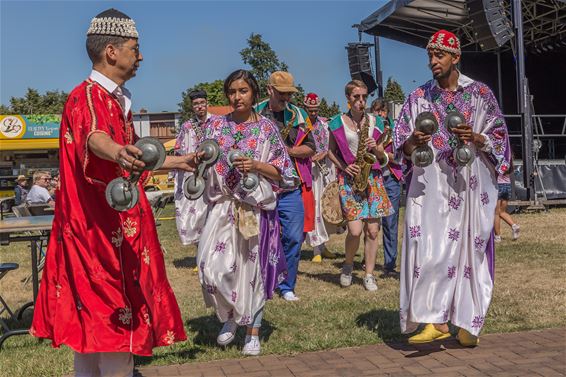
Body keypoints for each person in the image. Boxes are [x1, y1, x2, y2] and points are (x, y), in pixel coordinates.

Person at [30, 9, 196, 376]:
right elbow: (96, 139)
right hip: (99, 240)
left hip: (105, 235)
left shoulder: (113, 100)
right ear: (111, 51)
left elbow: (134, 156)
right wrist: (118, 151)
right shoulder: (88, 97)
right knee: (117, 331)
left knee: (92, 338)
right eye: (135, 48)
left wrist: (179, 161)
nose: (140, 56)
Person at [394, 29, 510, 346]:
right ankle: (434, 320)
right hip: (430, 183)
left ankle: (467, 322)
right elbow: (398, 148)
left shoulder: (480, 94)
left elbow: (500, 138)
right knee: (428, 249)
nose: (433, 61)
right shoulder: (418, 98)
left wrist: (477, 137)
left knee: (470, 251)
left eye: (439, 55)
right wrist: (411, 143)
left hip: (471, 182)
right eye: (430, 55)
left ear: (455, 57)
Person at [197, 69, 294, 355]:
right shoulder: (214, 127)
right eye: (232, 91)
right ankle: (229, 316)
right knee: (211, 268)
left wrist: (256, 166)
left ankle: (252, 331)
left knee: (253, 272)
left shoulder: (266, 128)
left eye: (242, 91)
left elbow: (283, 172)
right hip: (223, 206)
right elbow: (202, 164)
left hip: (255, 209)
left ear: (254, 94)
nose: (236, 97)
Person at [327, 80, 393, 292]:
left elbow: (384, 157)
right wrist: (345, 167)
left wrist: (377, 148)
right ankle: (348, 265)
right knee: (355, 231)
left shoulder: (376, 122)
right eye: (356, 97)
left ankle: (369, 274)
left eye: (364, 97)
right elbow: (330, 151)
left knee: (373, 231)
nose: (361, 101)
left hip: (373, 178)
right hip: (350, 179)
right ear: (348, 99)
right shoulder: (337, 122)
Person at [256, 71, 316, 301]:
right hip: (262, 185)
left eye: (289, 94)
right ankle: (262, 280)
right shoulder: (256, 113)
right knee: (260, 238)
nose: (286, 98)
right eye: (282, 93)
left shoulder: (298, 115)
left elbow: (312, 146)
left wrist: (288, 151)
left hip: (290, 186)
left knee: (293, 237)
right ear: (269, 89)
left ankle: (286, 285)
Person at [174, 89, 215, 246]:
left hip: (213, 174)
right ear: (192, 106)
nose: (199, 106)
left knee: (214, 212)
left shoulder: (217, 122)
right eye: (196, 104)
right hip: (196, 174)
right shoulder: (187, 126)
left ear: (206, 103)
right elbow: (179, 149)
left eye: (202, 103)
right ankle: (200, 250)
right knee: (197, 214)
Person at [303, 92, 337, 262]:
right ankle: (316, 248)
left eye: (316, 110)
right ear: (305, 108)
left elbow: (329, 145)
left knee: (324, 207)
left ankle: (323, 246)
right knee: (314, 207)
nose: (313, 113)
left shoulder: (324, 125)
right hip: (310, 171)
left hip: (324, 170)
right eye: (310, 110)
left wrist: (324, 153)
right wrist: (311, 157)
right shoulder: (302, 125)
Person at [371, 99, 403, 277]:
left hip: (391, 177)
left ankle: (389, 265)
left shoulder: (396, 130)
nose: (380, 114)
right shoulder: (368, 127)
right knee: (371, 223)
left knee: (390, 223)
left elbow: (399, 157)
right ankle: (368, 259)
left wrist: (381, 152)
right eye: (376, 111)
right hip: (372, 177)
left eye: (382, 111)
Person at [494, 157, 520, 242]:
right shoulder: (509, 159)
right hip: (507, 185)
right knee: (502, 212)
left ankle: (497, 237)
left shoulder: (495, 157)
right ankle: (514, 225)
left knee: (496, 213)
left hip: (498, 185)